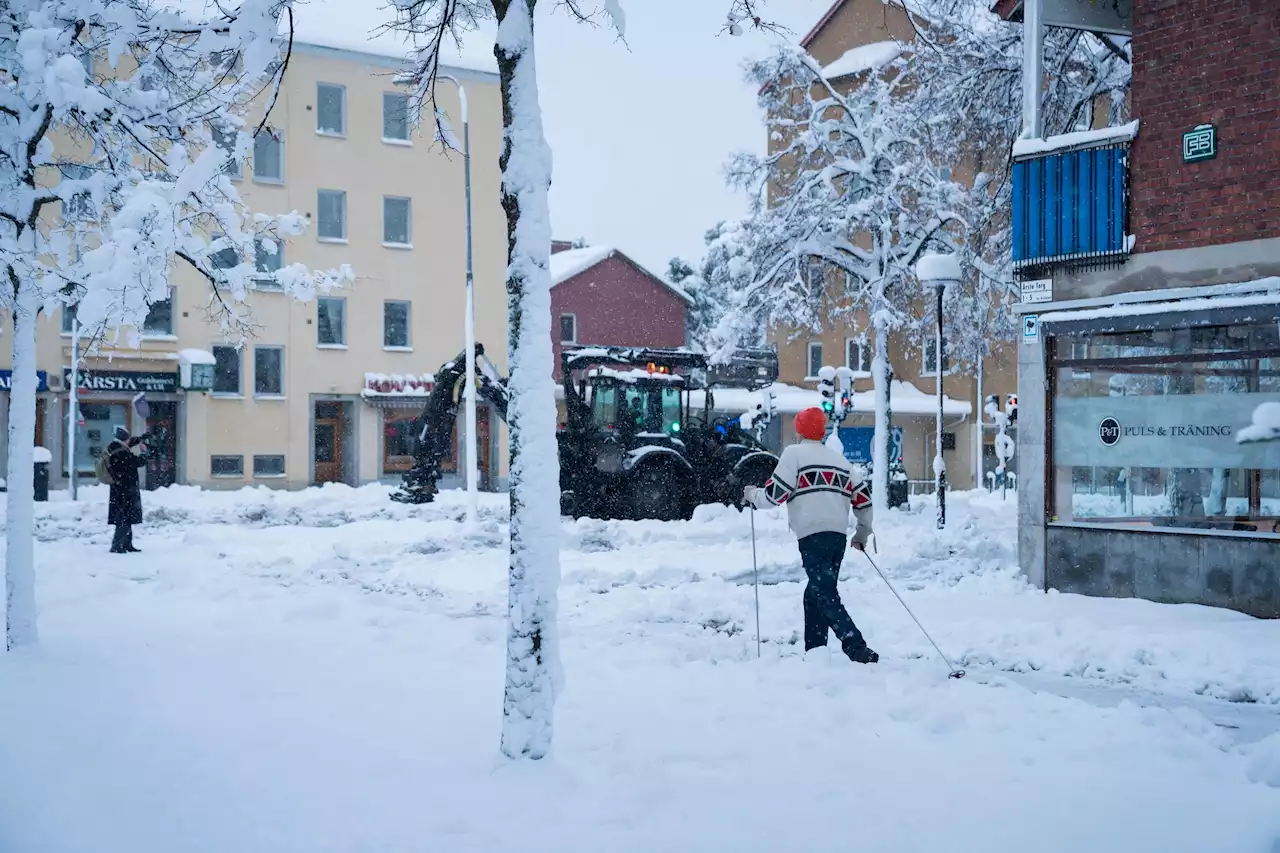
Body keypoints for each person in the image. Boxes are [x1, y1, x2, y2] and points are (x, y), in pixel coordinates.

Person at [744, 407, 878, 664]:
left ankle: (856, 646)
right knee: (815, 594)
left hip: (812, 534)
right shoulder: (841, 462)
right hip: (837, 537)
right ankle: (816, 653)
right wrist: (862, 532)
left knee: (824, 593)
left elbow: (774, 495)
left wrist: (752, 495)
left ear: (799, 430)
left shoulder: (793, 454)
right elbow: (863, 499)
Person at [106, 426, 149, 554]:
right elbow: (139, 462)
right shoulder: (122, 452)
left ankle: (127, 543)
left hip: (120, 489)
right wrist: (143, 452)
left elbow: (130, 442)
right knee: (123, 518)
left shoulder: (115, 447)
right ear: (124, 439)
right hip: (124, 490)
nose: (129, 440)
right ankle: (117, 546)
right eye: (128, 438)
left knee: (126, 518)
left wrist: (140, 439)